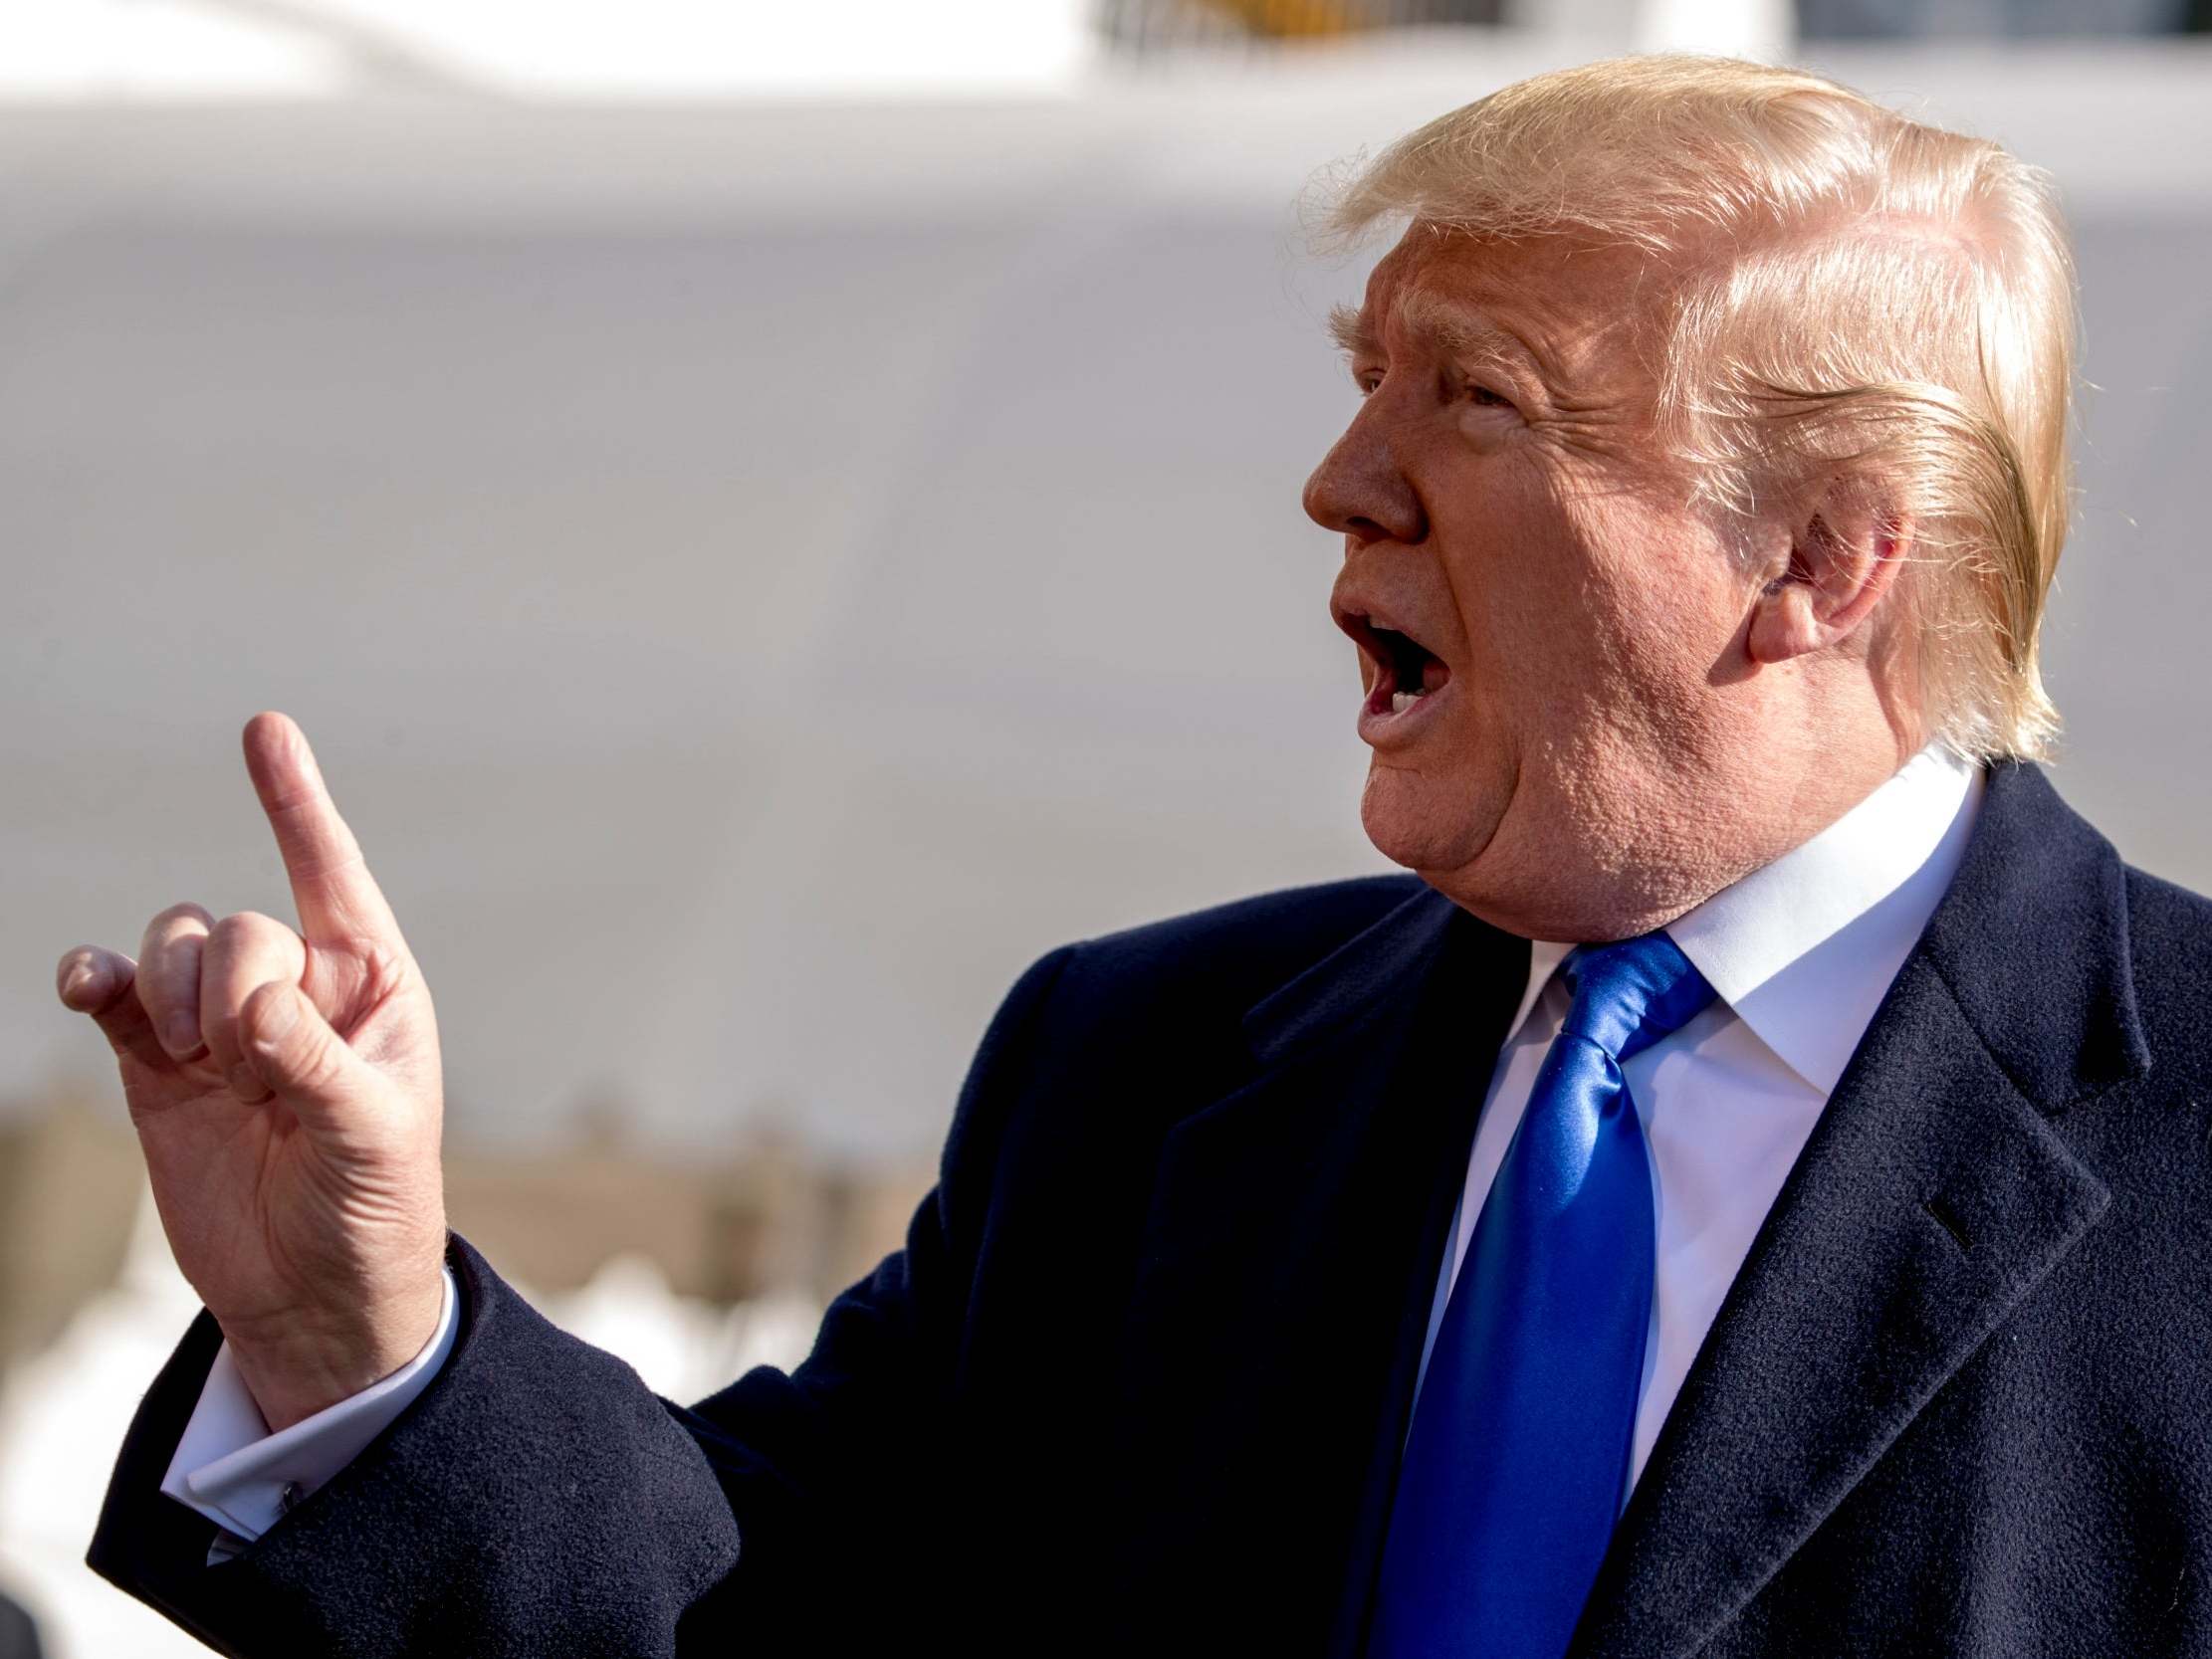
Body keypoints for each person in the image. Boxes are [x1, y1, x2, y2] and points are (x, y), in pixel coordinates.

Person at [59, 55, 2212, 1659]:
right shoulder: (1145, 1068)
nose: (1337, 481)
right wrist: (365, 1334)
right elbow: (751, 1624)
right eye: (1365, 380)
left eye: (1475, 398)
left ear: (1819, 557)